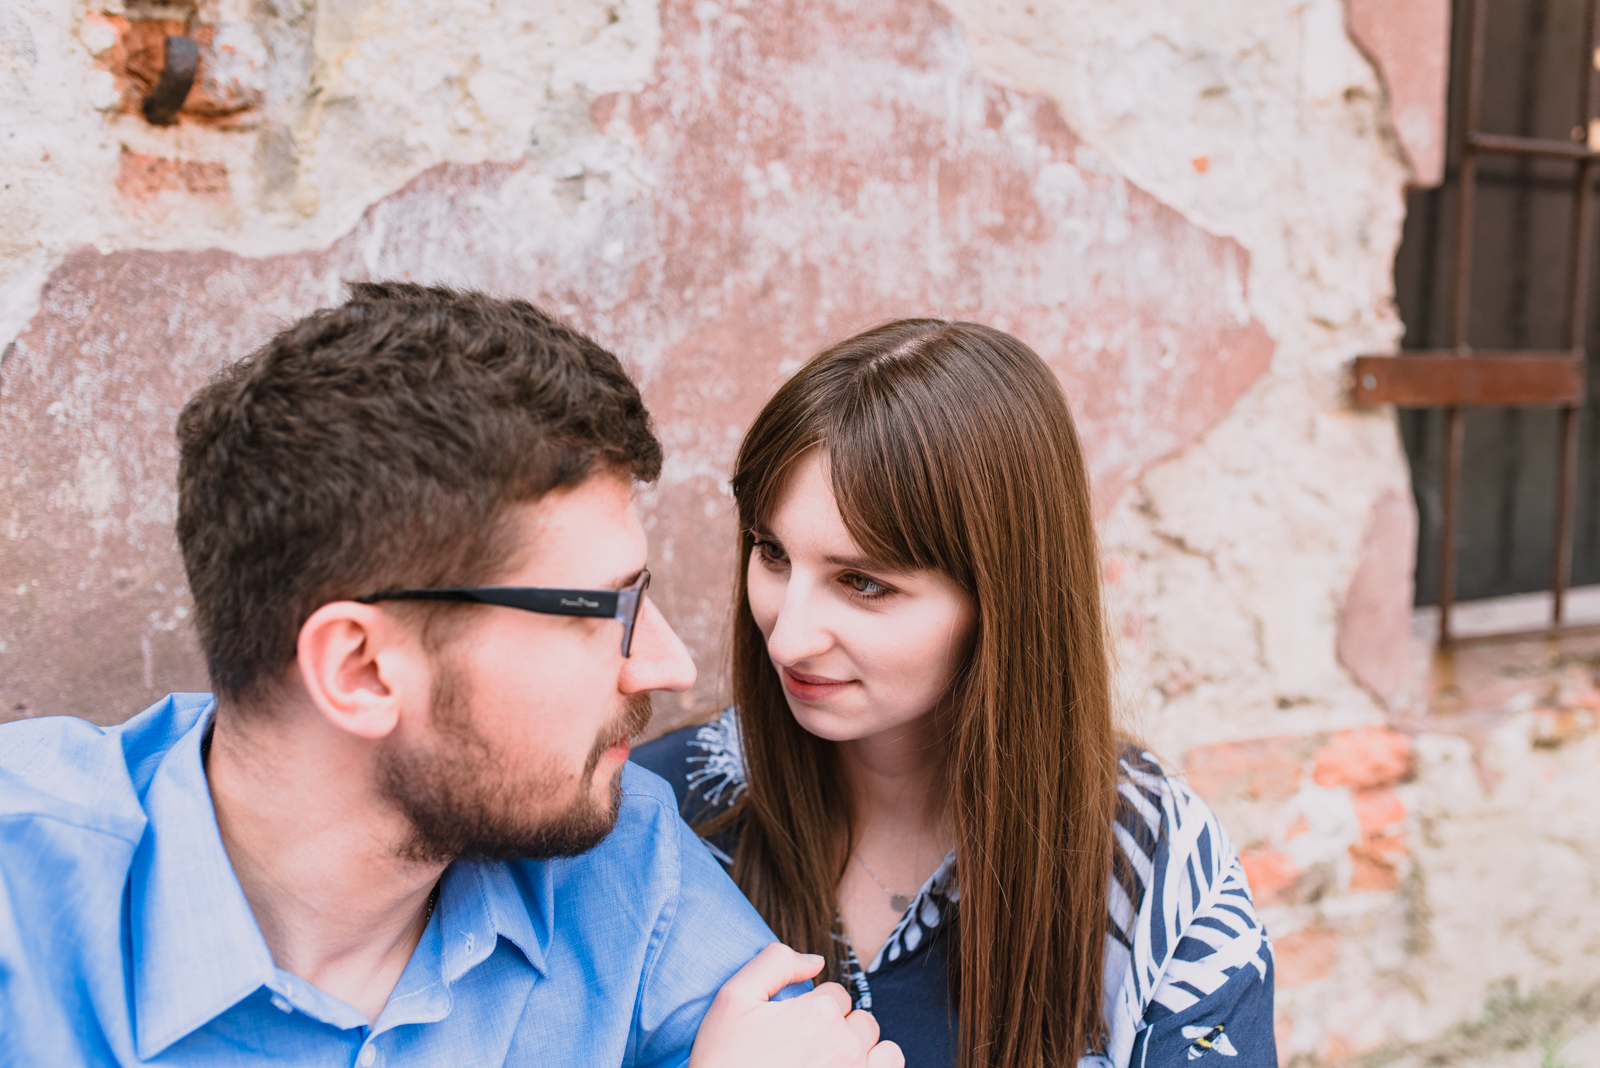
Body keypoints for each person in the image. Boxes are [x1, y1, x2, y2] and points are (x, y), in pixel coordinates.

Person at [0, 284, 903, 1068]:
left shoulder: (621, 868)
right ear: (361, 669)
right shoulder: (23, 906)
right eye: (606, 611)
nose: (669, 664)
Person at [634, 320, 1277, 1068]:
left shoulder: (1149, 863)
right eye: (772, 554)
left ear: (1002, 600)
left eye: (863, 582)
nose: (786, 637)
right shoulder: (658, 818)